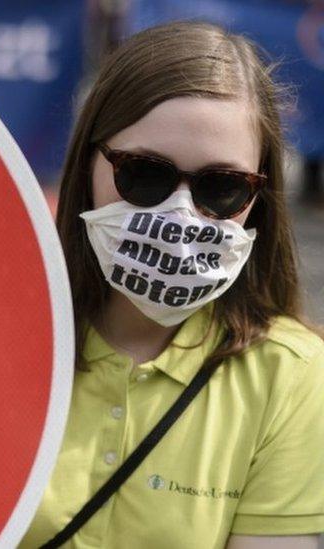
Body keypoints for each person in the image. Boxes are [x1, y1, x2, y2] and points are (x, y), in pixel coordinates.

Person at [19, 21, 324, 549]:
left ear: (260, 195)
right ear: (87, 159)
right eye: (143, 174)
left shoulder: (293, 377)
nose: (178, 212)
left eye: (223, 187)